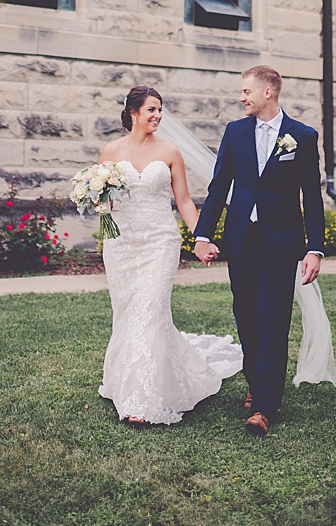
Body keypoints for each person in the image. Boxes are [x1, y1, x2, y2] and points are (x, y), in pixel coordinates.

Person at [96, 85, 244, 426]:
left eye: (160, 110)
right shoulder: (111, 151)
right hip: (122, 244)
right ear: (133, 113)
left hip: (160, 241)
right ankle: (125, 382)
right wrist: (96, 202)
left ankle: (142, 400)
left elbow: (185, 201)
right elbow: (104, 201)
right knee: (129, 312)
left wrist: (201, 237)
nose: (157, 116)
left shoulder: (171, 151)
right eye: (151, 110)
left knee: (150, 310)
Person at [191, 64, 326, 435]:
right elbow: (219, 187)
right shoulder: (235, 132)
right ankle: (256, 381)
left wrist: (315, 248)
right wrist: (203, 236)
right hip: (241, 242)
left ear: (269, 92)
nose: (241, 97)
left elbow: (312, 197)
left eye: (246, 91)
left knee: (272, 320)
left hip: (281, 245)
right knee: (246, 317)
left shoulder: (303, 136)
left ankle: (265, 406)